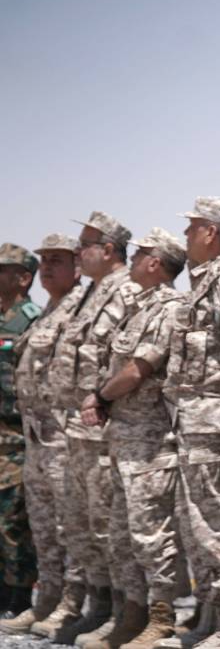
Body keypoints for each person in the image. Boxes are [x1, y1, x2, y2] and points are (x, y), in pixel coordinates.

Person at [78, 229, 187, 649]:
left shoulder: (169, 307)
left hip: (151, 442)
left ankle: (161, 619)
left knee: (150, 536)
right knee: (123, 536)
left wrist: (101, 396)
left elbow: (138, 370)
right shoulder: (140, 308)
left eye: (140, 254)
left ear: (155, 263)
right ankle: (132, 615)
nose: (134, 261)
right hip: (125, 440)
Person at [163, 198, 220, 649]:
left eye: (192, 227)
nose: (185, 236)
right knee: (199, 525)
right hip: (194, 420)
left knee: (218, 526)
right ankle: (212, 616)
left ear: (211, 233)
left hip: (217, 421)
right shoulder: (204, 280)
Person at [40, 212, 136, 644]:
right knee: (81, 524)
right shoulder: (90, 294)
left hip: (104, 430)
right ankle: (98, 606)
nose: (79, 252)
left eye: (86, 244)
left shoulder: (127, 290)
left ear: (109, 249)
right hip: (75, 431)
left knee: (109, 525)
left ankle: (122, 610)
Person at [2, 235, 84, 634]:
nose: (48, 267)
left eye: (58, 260)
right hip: (29, 434)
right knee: (39, 522)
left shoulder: (52, 313)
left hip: (47, 433)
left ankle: (54, 600)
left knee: (48, 524)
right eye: (45, 260)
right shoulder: (49, 312)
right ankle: (45, 599)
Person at [0, 244, 41, 619]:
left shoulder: (31, 320)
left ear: (23, 278)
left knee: (13, 518)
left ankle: (18, 593)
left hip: (17, 433)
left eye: (3, 269)